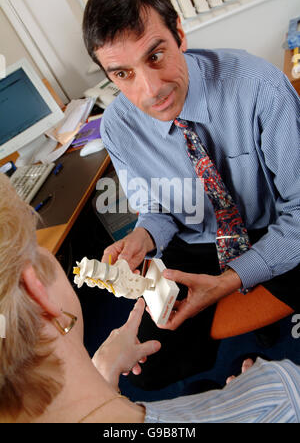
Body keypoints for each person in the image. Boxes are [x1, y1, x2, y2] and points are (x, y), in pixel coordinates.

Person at [82, 0, 300, 389]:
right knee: (152, 370)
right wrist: (144, 237)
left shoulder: (260, 88)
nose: (150, 90)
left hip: (275, 229)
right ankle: (241, 368)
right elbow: (159, 209)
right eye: (123, 74)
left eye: (156, 55)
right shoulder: (118, 128)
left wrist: (230, 280)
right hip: (198, 241)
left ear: (179, 33)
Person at [0, 172, 299, 423]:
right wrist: (249, 392)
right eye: (41, 251)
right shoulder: (281, 395)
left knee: (198, 385)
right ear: (37, 288)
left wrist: (105, 376)